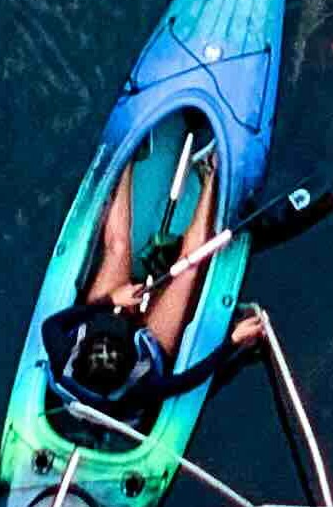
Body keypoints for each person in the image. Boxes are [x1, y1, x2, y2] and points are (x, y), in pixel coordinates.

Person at [41, 110, 225, 426]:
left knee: (117, 249)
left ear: (80, 347)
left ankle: (126, 159)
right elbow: (189, 379)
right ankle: (210, 177)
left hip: (108, 316)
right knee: (187, 272)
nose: (126, 321)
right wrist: (233, 341)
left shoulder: (61, 350)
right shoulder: (141, 388)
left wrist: (111, 302)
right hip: (150, 345)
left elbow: (51, 324)